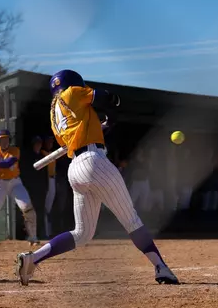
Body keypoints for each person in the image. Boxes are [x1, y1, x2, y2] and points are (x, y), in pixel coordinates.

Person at [15, 69, 179, 286]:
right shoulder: (72, 93)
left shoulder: (54, 113)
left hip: (76, 168)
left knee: (82, 233)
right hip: (94, 162)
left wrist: (105, 124)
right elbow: (105, 97)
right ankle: (161, 267)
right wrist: (113, 104)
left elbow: (82, 133)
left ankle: (33, 258)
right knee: (131, 220)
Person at [41, 136, 58, 238]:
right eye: (48, 142)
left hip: (53, 179)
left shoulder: (53, 152)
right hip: (45, 180)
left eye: (51, 142)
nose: (50, 144)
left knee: (49, 208)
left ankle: (49, 232)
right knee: (45, 208)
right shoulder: (42, 153)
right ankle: (46, 233)